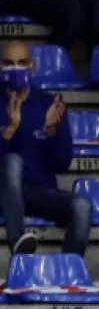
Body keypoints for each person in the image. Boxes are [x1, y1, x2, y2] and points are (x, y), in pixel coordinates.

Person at [0, 41, 88, 256]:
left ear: (32, 66)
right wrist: (9, 130)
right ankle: (18, 241)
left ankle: (69, 268)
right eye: (9, 63)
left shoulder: (49, 105)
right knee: (12, 161)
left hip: (38, 192)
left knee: (82, 206)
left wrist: (50, 131)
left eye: (22, 62)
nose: (16, 68)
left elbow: (62, 163)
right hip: (2, 192)